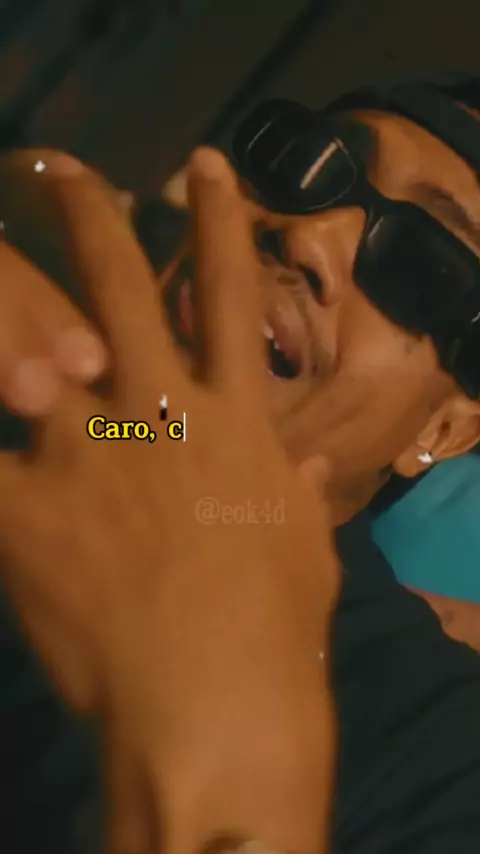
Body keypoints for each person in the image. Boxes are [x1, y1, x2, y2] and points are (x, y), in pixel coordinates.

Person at [1, 71, 480, 854]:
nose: (309, 234)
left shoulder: (433, 752)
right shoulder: (44, 396)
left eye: (422, 265)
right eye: (307, 164)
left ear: (445, 430)